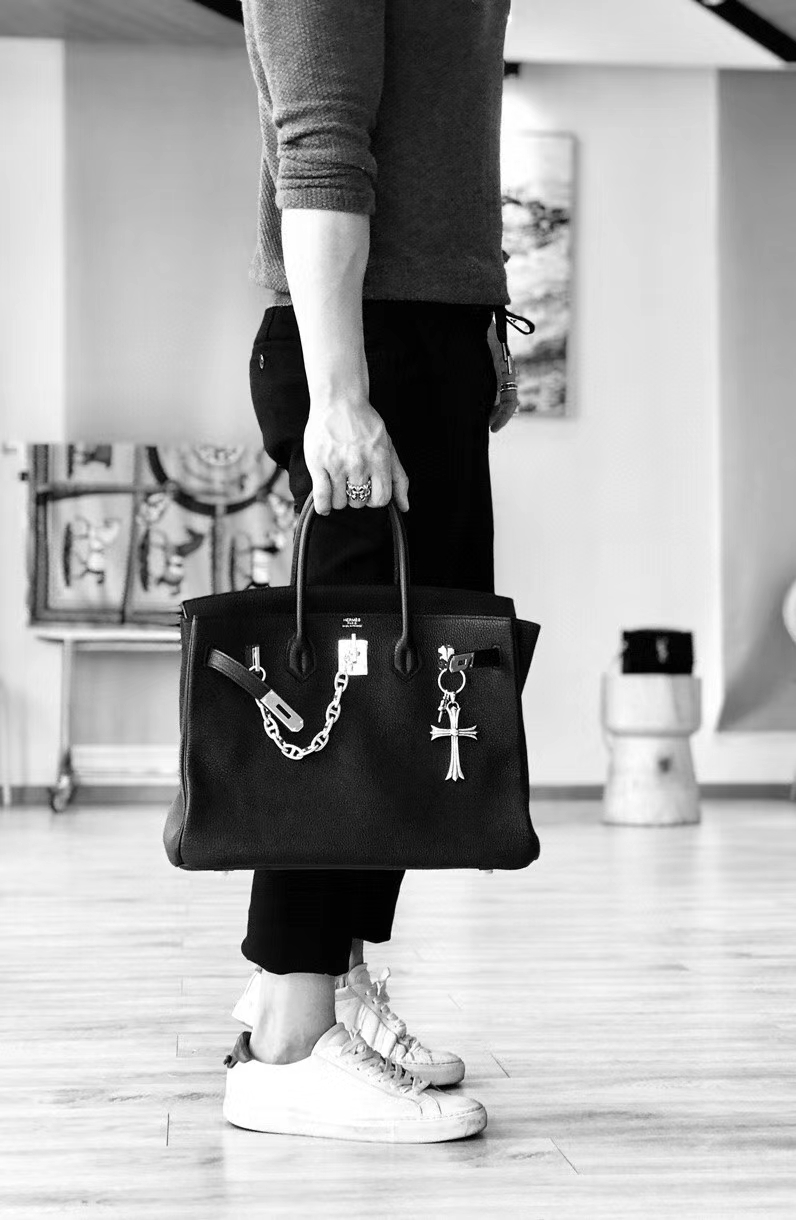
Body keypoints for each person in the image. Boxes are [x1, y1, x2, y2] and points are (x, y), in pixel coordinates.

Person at [222, 0, 519, 1144]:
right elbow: (319, 137)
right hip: (363, 342)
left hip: (424, 333)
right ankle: (288, 1043)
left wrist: (475, 320)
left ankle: (327, 985)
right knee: (342, 711)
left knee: (404, 694)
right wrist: (341, 391)